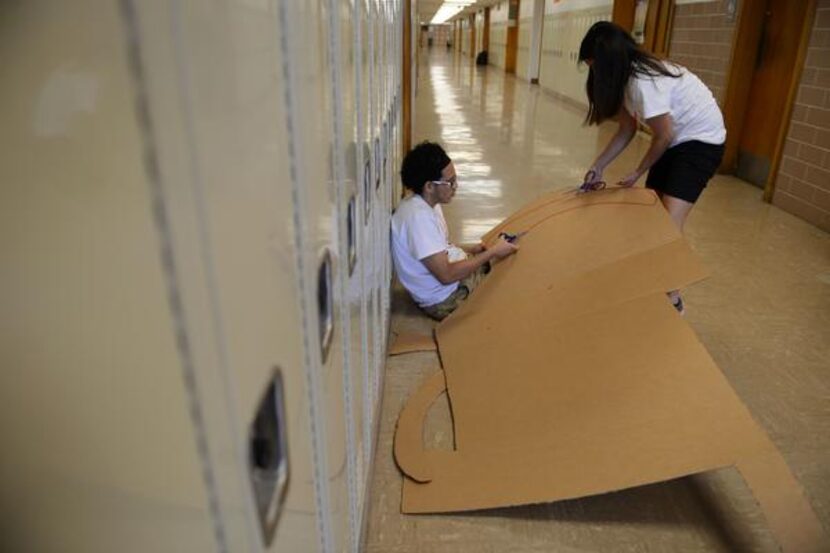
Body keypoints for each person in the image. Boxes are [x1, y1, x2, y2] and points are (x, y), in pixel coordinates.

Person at [578, 21, 726, 314]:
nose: (593, 73)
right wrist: (599, 166)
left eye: (594, 66)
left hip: (701, 142)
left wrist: (637, 172)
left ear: (609, 61)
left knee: (668, 224)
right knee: (653, 216)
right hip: (676, 142)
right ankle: (656, 279)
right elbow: (627, 129)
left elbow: (664, 134)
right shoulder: (625, 79)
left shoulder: (644, 81)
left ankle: (673, 298)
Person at [392, 141, 518, 320]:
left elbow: (437, 249)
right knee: (511, 283)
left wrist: (471, 250)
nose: (455, 187)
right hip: (446, 298)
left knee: (507, 264)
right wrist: (492, 252)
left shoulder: (427, 203)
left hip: (451, 281)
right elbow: (447, 275)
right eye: (450, 182)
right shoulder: (418, 219)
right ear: (429, 186)